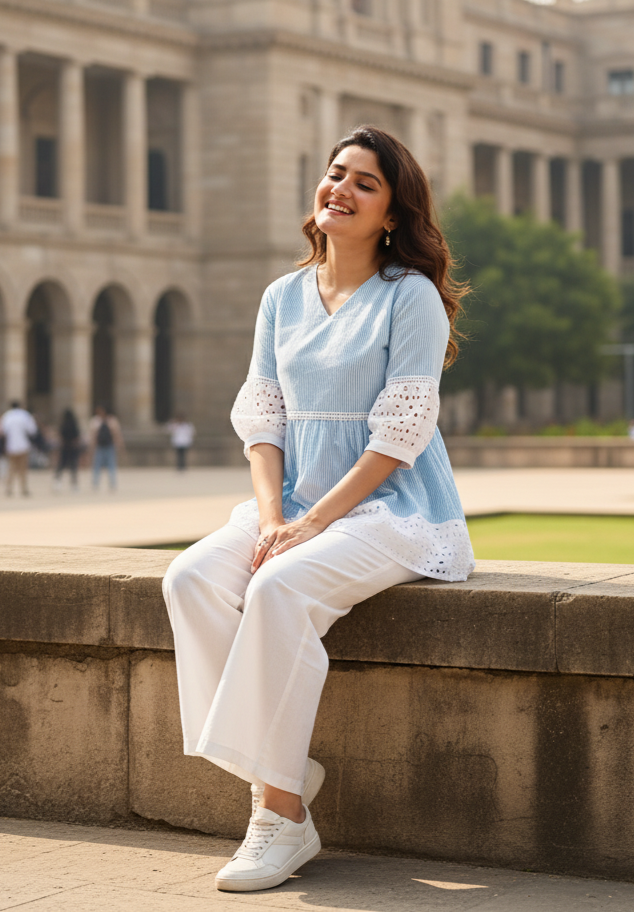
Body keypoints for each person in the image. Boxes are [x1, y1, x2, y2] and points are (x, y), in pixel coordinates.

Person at [162, 125, 475, 894]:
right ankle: (284, 766)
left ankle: (279, 813)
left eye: (365, 183)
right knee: (191, 578)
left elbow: (399, 439)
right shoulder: (281, 295)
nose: (340, 188)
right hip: (295, 498)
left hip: (392, 508)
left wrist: (310, 526)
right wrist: (275, 517)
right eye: (336, 174)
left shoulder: (412, 300)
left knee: (278, 587)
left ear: (393, 215)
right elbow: (263, 420)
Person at [0, 401, 38, 496]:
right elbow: (32, 430)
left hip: (11, 446)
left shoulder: (7, 416)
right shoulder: (25, 415)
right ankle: (24, 489)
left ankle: (8, 489)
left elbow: (2, 431)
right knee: (23, 469)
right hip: (23, 446)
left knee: (11, 468)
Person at [89, 405, 124, 491]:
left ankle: (98, 484)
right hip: (105, 446)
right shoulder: (111, 420)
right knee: (107, 465)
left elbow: (93, 435)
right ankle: (109, 484)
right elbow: (116, 433)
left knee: (103, 466)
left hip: (105, 446)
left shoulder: (96, 421)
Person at [54, 408, 82, 491]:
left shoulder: (63, 425)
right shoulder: (74, 425)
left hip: (65, 448)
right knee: (73, 467)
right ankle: (74, 485)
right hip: (73, 448)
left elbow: (60, 437)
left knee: (61, 466)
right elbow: (77, 437)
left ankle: (57, 484)